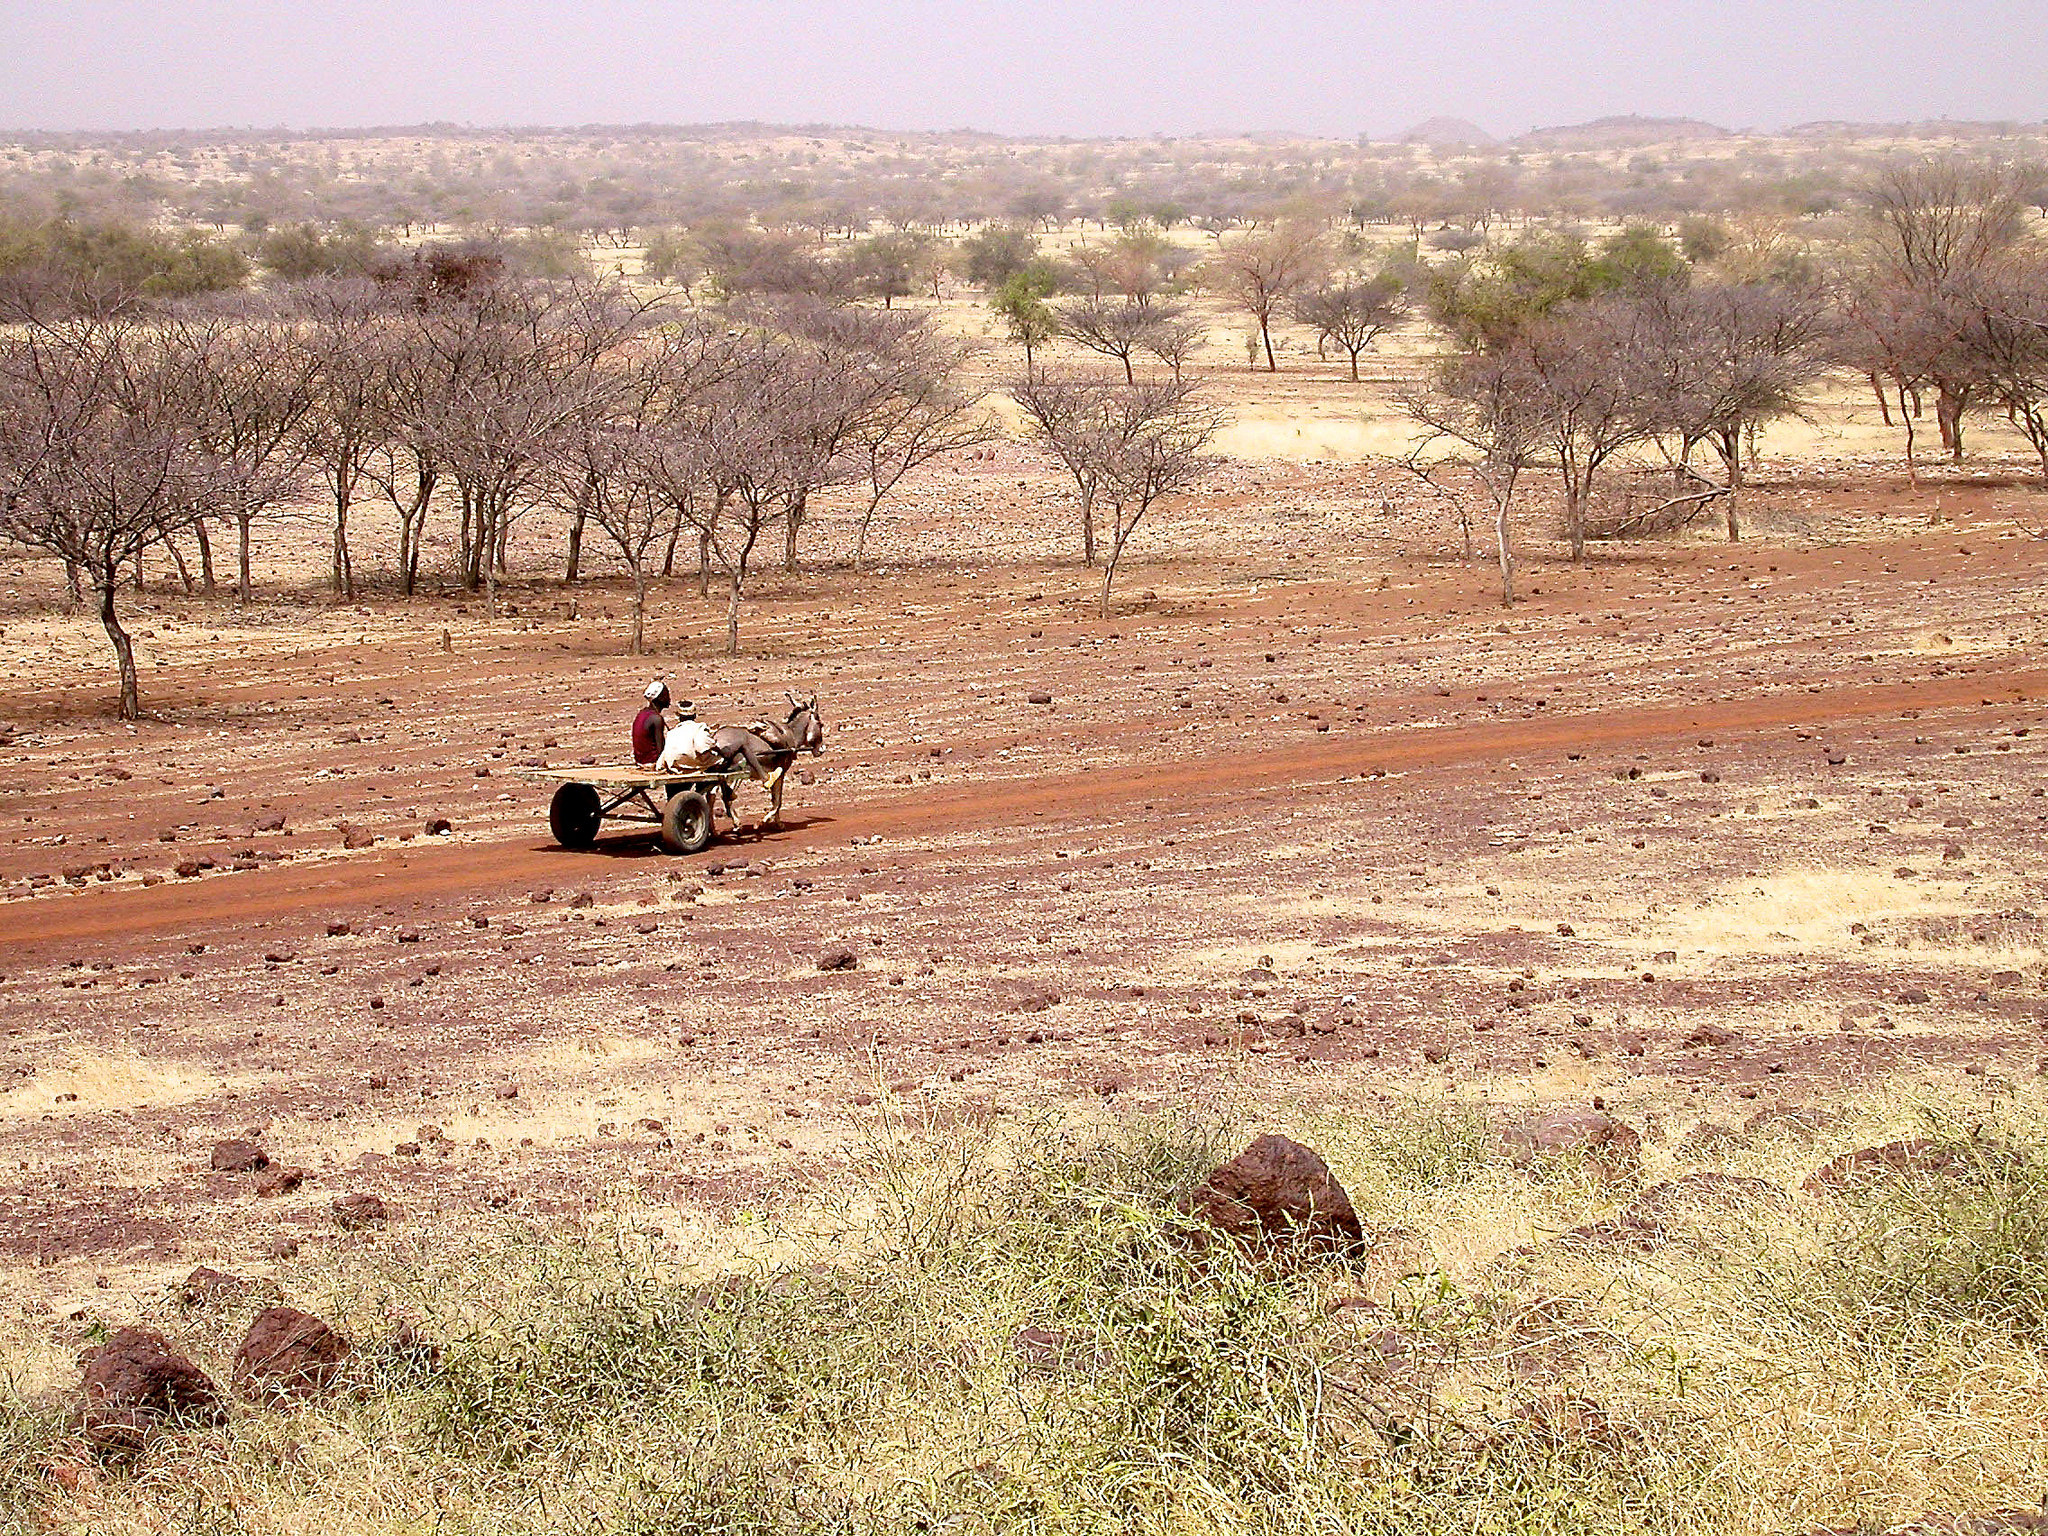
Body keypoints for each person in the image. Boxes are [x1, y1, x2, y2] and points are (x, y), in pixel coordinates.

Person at [632, 680, 670, 766]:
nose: (669, 698)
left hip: (640, 761)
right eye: (666, 694)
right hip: (651, 762)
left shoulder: (643, 713)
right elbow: (660, 750)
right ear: (660, 698)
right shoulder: (656, 719)